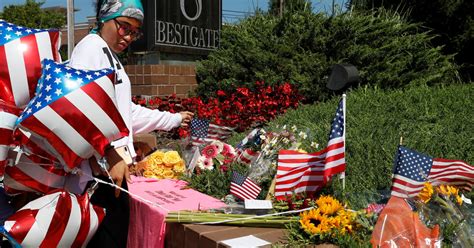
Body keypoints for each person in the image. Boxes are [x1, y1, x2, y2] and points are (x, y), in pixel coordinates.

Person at [68, 0, 193, 247]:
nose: (128, 36)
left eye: (135, 31)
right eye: (124, 26)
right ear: (104, 19)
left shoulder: (107, 53)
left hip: (112, 170)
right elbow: (80, 109)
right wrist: (108, 153)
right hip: (101, 174)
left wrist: (173, 119)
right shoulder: (91, 50)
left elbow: (126, 113)